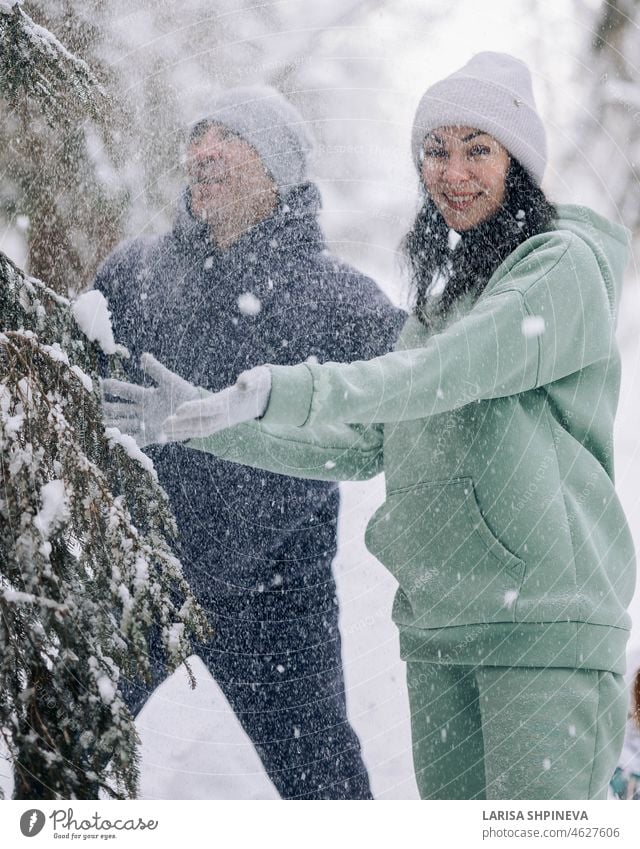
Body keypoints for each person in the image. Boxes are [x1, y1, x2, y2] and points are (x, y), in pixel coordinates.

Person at [103, 54, 636, 800]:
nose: (453, 171)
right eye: (436, 150)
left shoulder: (561, 265)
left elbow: (437, 375)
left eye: (478, 149)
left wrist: (277, 390)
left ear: (521, 160)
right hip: (441, 623)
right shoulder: (446, 301)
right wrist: (202, 423)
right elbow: (367, 443)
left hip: (537, 623)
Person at [94, 86, 404, 800]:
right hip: (143, 576)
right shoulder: (133, 275)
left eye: (228, 137)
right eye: (198, 136)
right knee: (64, 750)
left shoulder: (339, 299)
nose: (202, 150)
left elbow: (418, 393)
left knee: (326, 789)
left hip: (278, 594)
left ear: (278, 170)